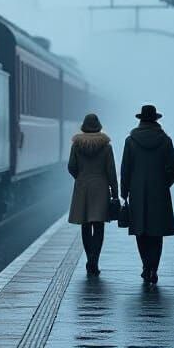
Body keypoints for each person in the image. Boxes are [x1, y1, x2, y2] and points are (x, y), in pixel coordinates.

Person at [120, 104, 174, 283]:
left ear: (140, 120)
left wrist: (124, 191)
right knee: (157, 232)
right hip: (159, 191)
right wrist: (165, 183)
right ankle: (154, 268)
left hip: (137, 191)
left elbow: (125, 169)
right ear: (156, 120)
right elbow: (173, 168)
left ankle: (146, 265)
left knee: (140, 231)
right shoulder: (165, 140)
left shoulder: (131, 141)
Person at [68, 113, 119, 276]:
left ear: (83, 126)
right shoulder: (106, 146)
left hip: (82, 186)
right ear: (99, 126)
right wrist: (115, 192)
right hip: (101, 187)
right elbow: (111, 171)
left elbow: (71, 166)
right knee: (98, 226)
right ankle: (94, 260)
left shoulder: (76, 145)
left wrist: (81, 177)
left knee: (85, 224)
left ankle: (89, 257)